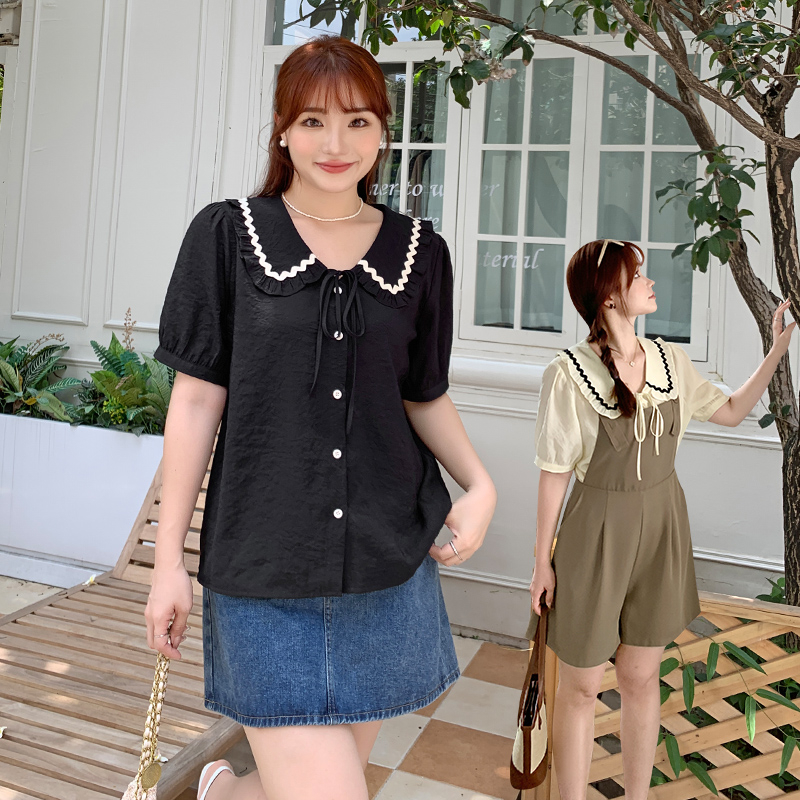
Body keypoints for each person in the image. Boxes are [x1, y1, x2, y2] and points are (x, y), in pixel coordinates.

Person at [145, 35, 497, 800]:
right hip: (264, 573)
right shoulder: (227, 236)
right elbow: (197, 400)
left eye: (357, 121)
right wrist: (169, 561)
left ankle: (224, 791)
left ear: (383, 131)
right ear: (282, 130)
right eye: (312, 121)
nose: (336, 144)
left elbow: (421, 393)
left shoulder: (420, 252)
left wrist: (480, 484)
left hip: (385, 571)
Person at [528, 238, 795, 800]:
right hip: (595, 535)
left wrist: (776, 350)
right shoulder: (569, 373)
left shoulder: (671, 361)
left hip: (662, 530)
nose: (650, 282)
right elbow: (555, 472)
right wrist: (540, 562)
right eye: (637, 275)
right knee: (581, 687)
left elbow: (731, 411)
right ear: (609, 296)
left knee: (639, 675)